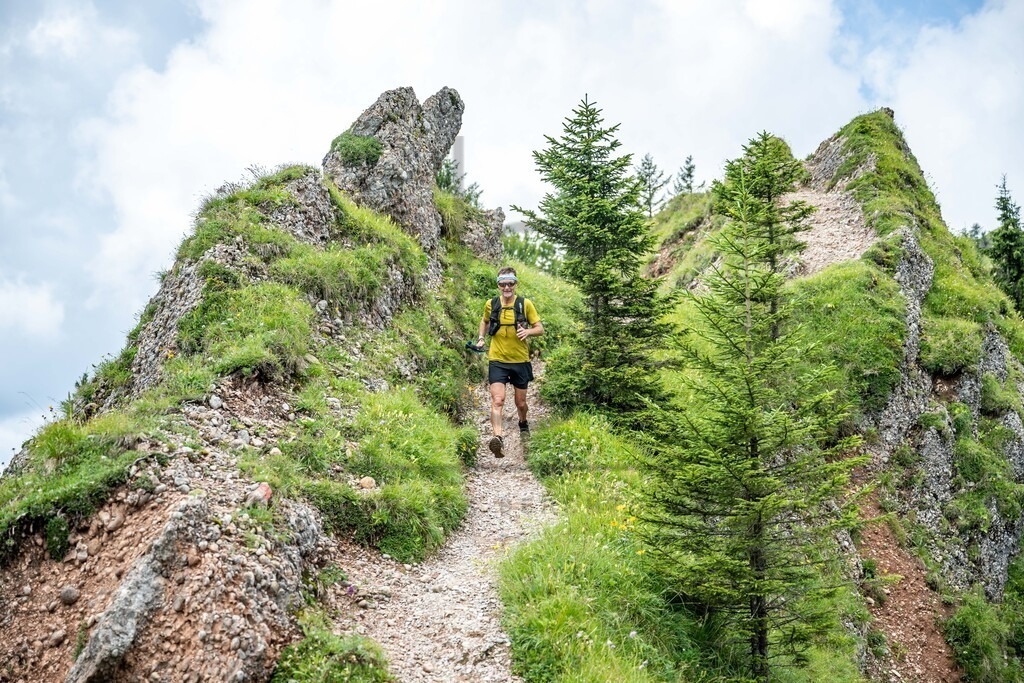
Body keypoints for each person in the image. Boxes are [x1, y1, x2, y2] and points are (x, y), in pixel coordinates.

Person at [476, 267, 544, 458]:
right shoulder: (491, 304)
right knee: (497, 400)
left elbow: (539, 328)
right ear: (498, 285)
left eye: (510, 283)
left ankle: (523, 424)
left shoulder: (525, 304)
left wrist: (528, 332)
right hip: (497, 359)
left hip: (520, 360)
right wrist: (481, 338)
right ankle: (498, 438)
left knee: (520, 403)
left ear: (515, 284)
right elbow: (485, 321)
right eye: (503, 284)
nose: (507, 287)